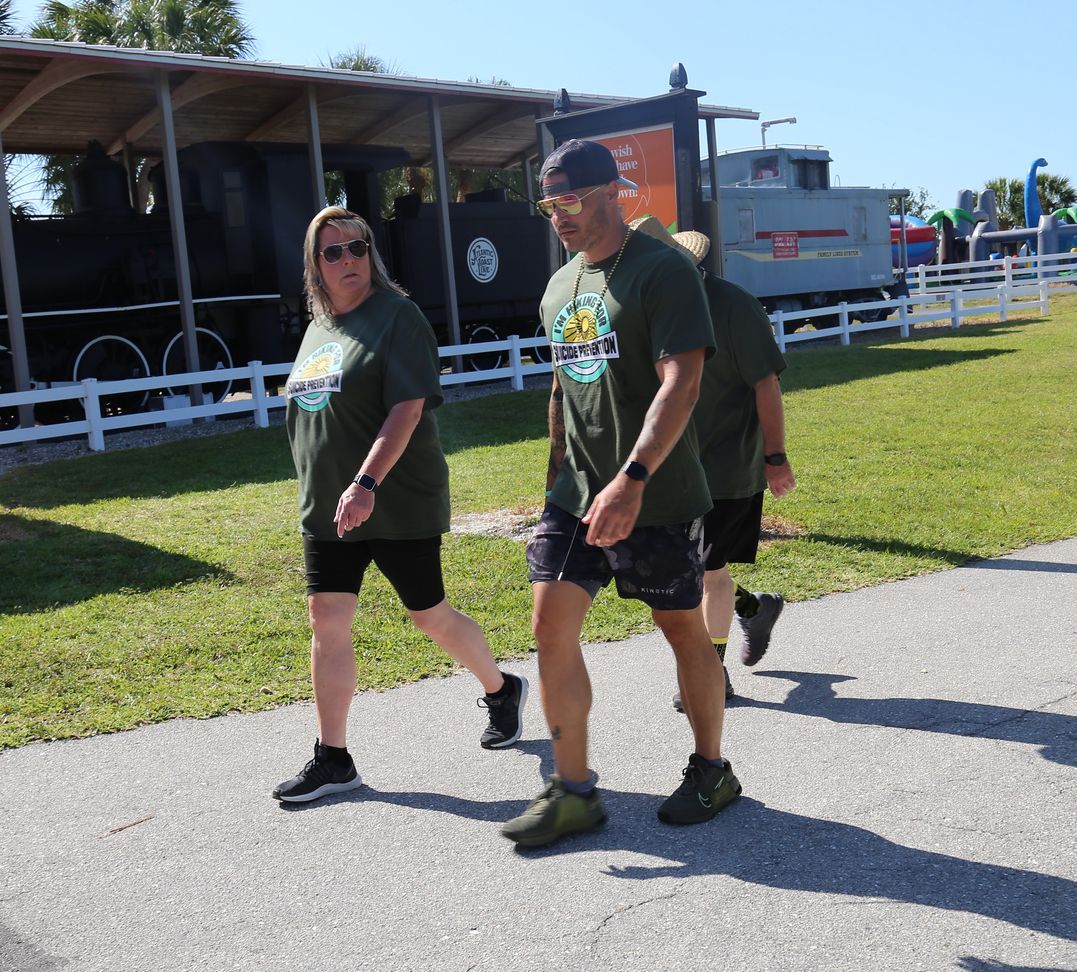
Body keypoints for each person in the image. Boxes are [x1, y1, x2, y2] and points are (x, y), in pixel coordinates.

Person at [500, 140, 741, 848]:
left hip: (654, 494)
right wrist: (556, 479)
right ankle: (573, 790)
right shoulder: (559, 286)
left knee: (679, 629)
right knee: (550, 629)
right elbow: (563, 389)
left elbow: (682, 381)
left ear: (612, 191)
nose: (558, 215)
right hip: (574, 495)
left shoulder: (660, 271)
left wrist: (631, 480)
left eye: (569, 199)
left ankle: (711, 768)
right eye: (548, 204)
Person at [273, 206, 527, 803]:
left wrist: (365, 483)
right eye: (331, 252)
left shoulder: (398, 317)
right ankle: (333, 758)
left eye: (356, 247)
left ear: (371, 254)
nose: (347, 260)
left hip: (394, 498)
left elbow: (406, 409)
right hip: (329, 507)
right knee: (326, 620)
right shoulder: (319, 329)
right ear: (315, 266)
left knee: (428, 615)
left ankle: (500, 688)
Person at [628, 217, 796, 709]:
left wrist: (775, 456)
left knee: (710, 569)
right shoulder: (649, 307)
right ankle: (755, 609)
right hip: (667, 465)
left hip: (725, 467)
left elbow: (767, 384)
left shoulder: (734, 307)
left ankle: (712, 672)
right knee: (687, 569)